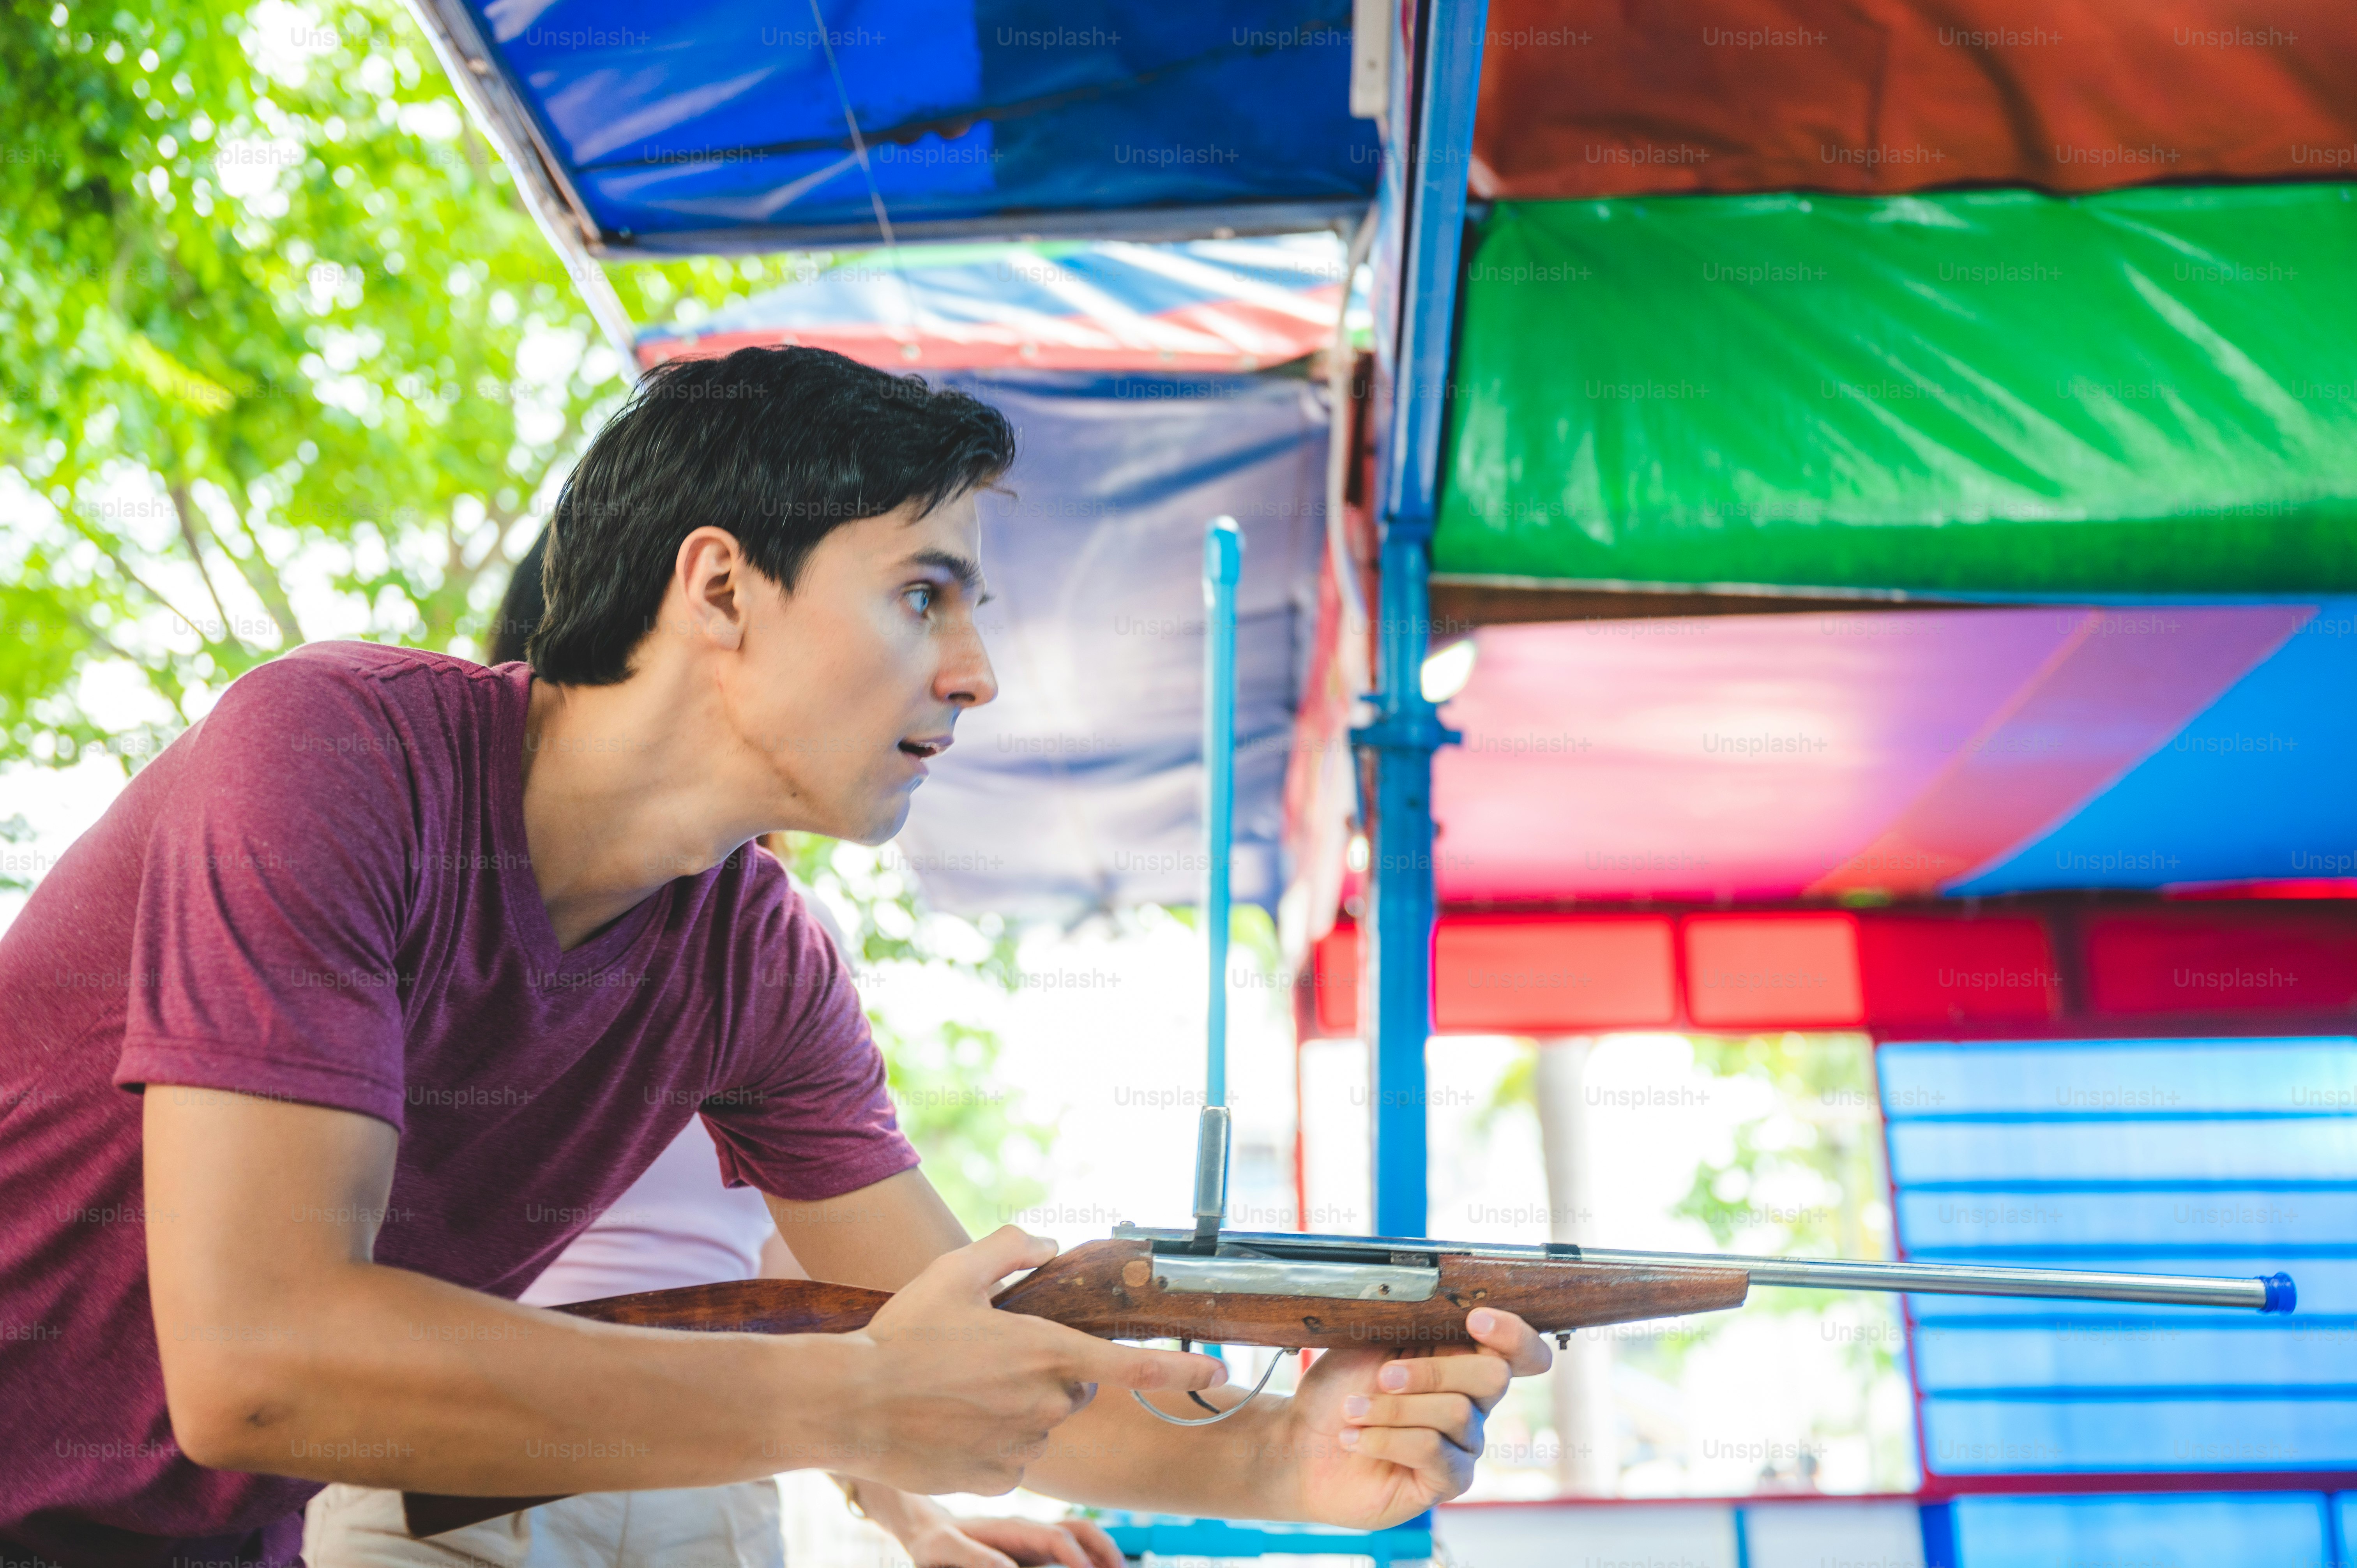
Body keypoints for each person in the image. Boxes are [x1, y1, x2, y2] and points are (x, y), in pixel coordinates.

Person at [0, 346, 1548, 1568]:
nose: (978, 672)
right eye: (922, 594)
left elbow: (961, 1340)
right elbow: (257, 1357)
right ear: (721, 586)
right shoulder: (332, 751)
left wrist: (1278, 1459)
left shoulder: (757, 955)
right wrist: (856, 1397)